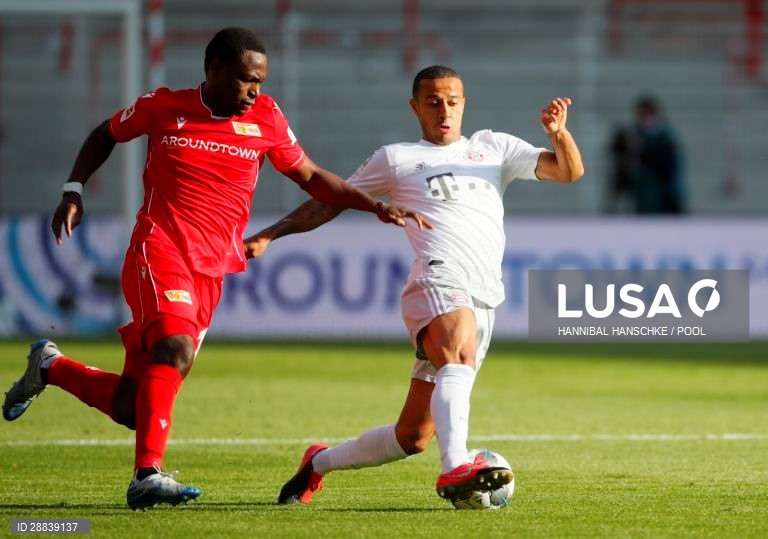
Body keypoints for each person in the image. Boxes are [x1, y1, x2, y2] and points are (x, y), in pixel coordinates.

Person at [2, 27, 427, 511]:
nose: (255, 92)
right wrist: (73, 187)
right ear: (214, 70)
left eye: (261, 82)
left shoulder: (266, 118)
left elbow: (309, 176)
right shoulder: (163, 106)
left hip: (212, 269)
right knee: (175, 347)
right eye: (247, 80)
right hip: (158, 249)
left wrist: (372, 205)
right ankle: (147, 476)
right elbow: (106, 132)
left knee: (132, 407)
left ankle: (51, 367)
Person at [244, 65, 584, 505]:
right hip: (437, 276)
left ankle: (319, 462)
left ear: (464, 103)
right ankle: (455, 466)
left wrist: (559, 133)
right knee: (457, 354)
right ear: (415, 107)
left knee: (412, 436)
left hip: (485, 293)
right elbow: (330, 201)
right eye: (433, 102)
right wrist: (271, 233)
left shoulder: (493, 147)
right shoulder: (396, 158)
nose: (444, 110)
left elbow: (568, 172)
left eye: (452, 101)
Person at [606, 96, 684, 214]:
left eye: (646, 114)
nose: (644, 118)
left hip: (662, 195)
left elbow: (666, 164)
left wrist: (642, 149)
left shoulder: (665, 137)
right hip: (643, 196)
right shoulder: (635, 133)